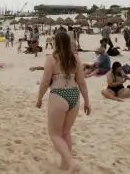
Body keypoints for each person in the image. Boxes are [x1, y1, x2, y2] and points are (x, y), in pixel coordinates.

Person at [35, 32, 90, 173]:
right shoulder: (75, 58)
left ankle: (71, 162)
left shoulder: (51, 58)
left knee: (54, 134)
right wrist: (87, 101)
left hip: (59, 94)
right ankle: (65, 165)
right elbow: (82, 82)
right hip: (74, 95)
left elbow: (45, 82)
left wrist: (39, 98)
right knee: (66, 132)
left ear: (55, 42)